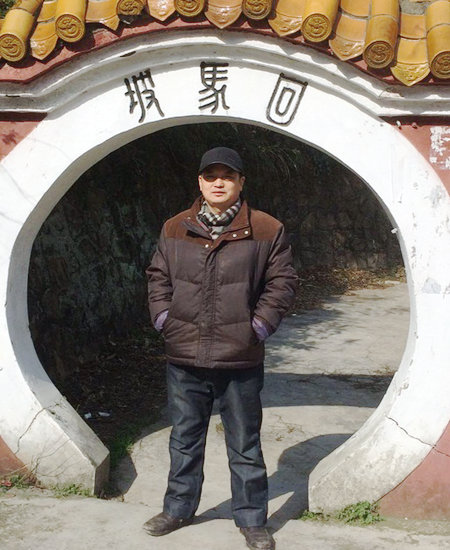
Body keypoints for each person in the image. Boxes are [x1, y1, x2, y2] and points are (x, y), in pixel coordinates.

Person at [144, 146, 297, 550]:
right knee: (184, 438)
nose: (218, 183)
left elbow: (282, 283)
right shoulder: (176, 227)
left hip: (239, 357)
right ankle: (178, 509)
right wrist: (164, 318)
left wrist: (258, 326)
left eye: (227, 176)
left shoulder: (266, 228)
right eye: (210, 176)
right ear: (199, 182)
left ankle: (251, 519)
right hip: (184, 354)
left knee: (244, 443)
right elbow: (158, 275)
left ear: (241, 182)